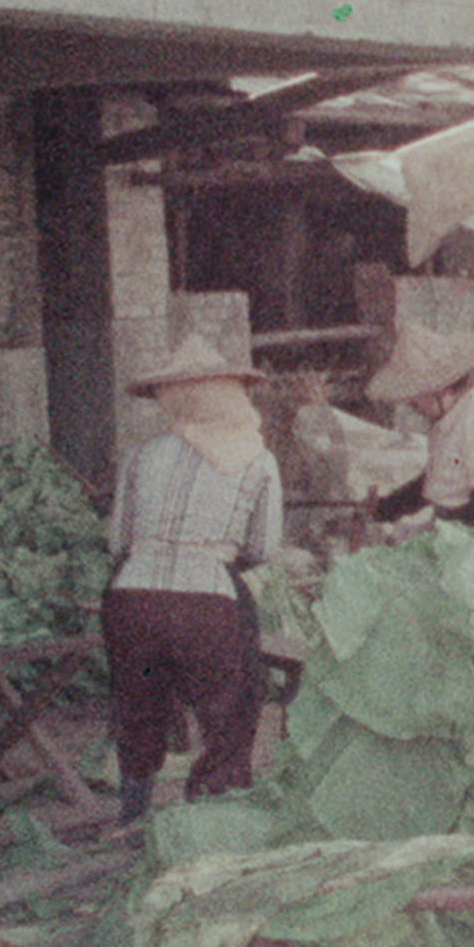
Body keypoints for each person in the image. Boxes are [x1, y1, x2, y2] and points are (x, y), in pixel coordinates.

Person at [101, 333, 283, 827]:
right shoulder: (256, 458)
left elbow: (117, 540)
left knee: (138, 712)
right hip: (207, 604)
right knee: (228, 714)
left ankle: (133, 820)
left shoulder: (144, 453)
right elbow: (264, 549)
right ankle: (213, 822)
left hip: (130, 599)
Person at [366, 319, 474, 526]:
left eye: (415, 396)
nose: (410, 404)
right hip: (455, 525)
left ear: (440, 390)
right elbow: (437, 482)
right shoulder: (450, 419)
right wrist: (386, 508)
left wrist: (439, 530)